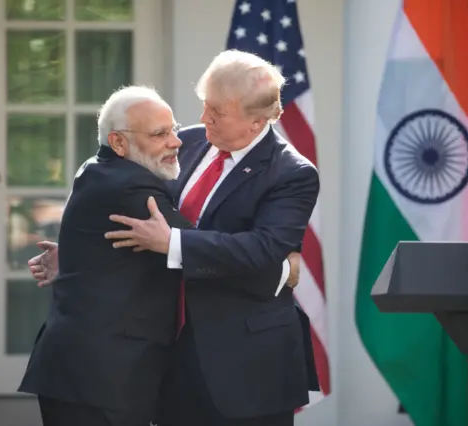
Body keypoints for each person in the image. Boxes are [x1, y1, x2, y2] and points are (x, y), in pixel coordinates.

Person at [31, 50, 321, 426]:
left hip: (244, 367)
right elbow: (118, 200)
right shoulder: (187, 142)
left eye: (217, 112)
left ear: (256, 122)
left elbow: (262, 248)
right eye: (204, 106)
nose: (203, 119)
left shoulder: (292, 173)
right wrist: (81, 255)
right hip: (168, 356)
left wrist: (174, 244)